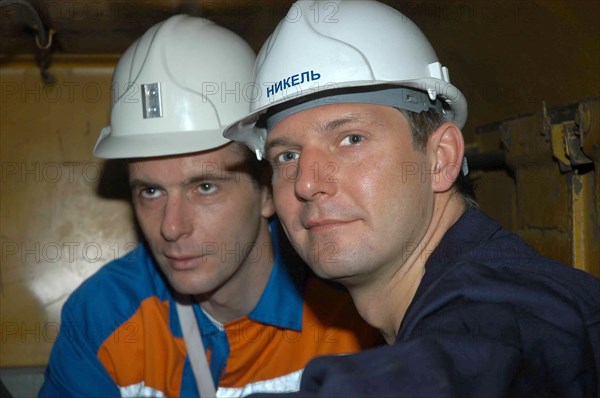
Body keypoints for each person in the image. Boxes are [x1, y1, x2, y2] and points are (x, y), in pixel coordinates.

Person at [224, 1, 600, 396]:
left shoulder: (508, 314)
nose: (306, 184)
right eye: (288, 156)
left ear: (440, 159)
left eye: (351, 139)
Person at [38, 15, 379, 398]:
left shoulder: (353, 309)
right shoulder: (104, 316)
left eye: (204, 187)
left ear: (267, 191)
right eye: (150, 192)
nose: (171, 227)